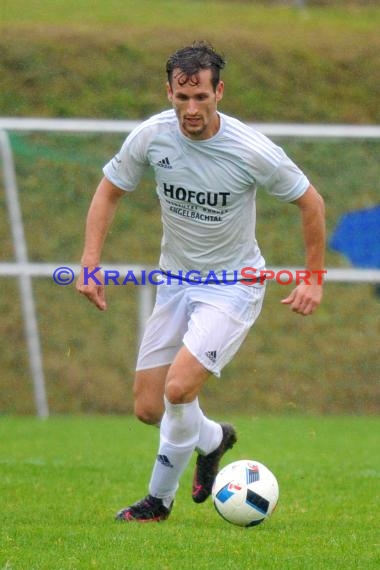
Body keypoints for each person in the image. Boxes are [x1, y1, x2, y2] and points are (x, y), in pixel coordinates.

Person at [76, 40, 325, 522]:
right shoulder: (152, 136)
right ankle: (213, 439)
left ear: (219, 93)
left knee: (178, 389)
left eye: (201, 98)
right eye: (182, 97)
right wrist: (90, 262)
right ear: (168, 91)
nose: (191, 109)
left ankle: (157, 502)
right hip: (175, 280)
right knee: (149, 409)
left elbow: (311, 203)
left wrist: (313, 278)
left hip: (234, 283)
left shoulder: (252, 150)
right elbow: (109, 192)